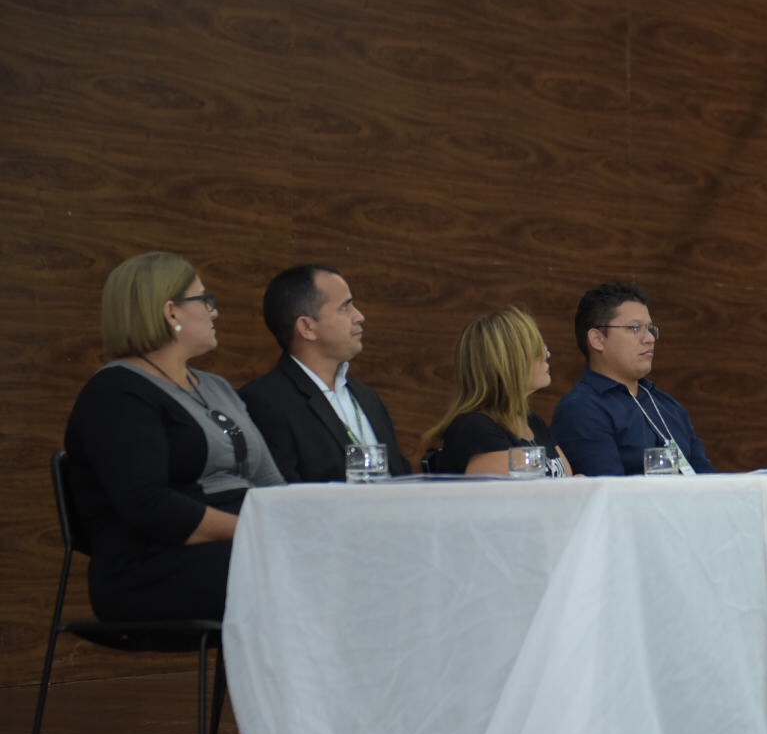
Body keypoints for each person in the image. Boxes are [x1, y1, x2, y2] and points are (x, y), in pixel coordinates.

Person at [62, 252, 283, 621]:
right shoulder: (118, 393)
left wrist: (297, 523)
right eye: (204, 300)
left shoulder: (217, 387)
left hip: (239, 545)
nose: (214, 312)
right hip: (153, 566)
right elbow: (149, 505)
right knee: (297, 569)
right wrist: (253, 530)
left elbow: (269, 483)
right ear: (171, 312)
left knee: (343, 555)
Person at [238, 264, 411, 483]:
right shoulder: (265, 402)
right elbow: (281, 496)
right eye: (345, 307)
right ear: (307, 327)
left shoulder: (367, 397)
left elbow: (402, 476)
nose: (359, 316)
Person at [551, 283, 715, 475]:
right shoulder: (581, 409)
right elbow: (611, 495)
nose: (650, 339)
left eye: (650, 329)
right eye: (635, 328)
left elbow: (706, 479)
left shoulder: (668, 406)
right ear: (597, 339)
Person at [423, 306, 571, 476]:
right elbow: (514, 497)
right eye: (538, 349)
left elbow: (568, 480)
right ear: (511, 362)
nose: (548, 354)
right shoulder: (475, 429)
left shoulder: (532, 421)